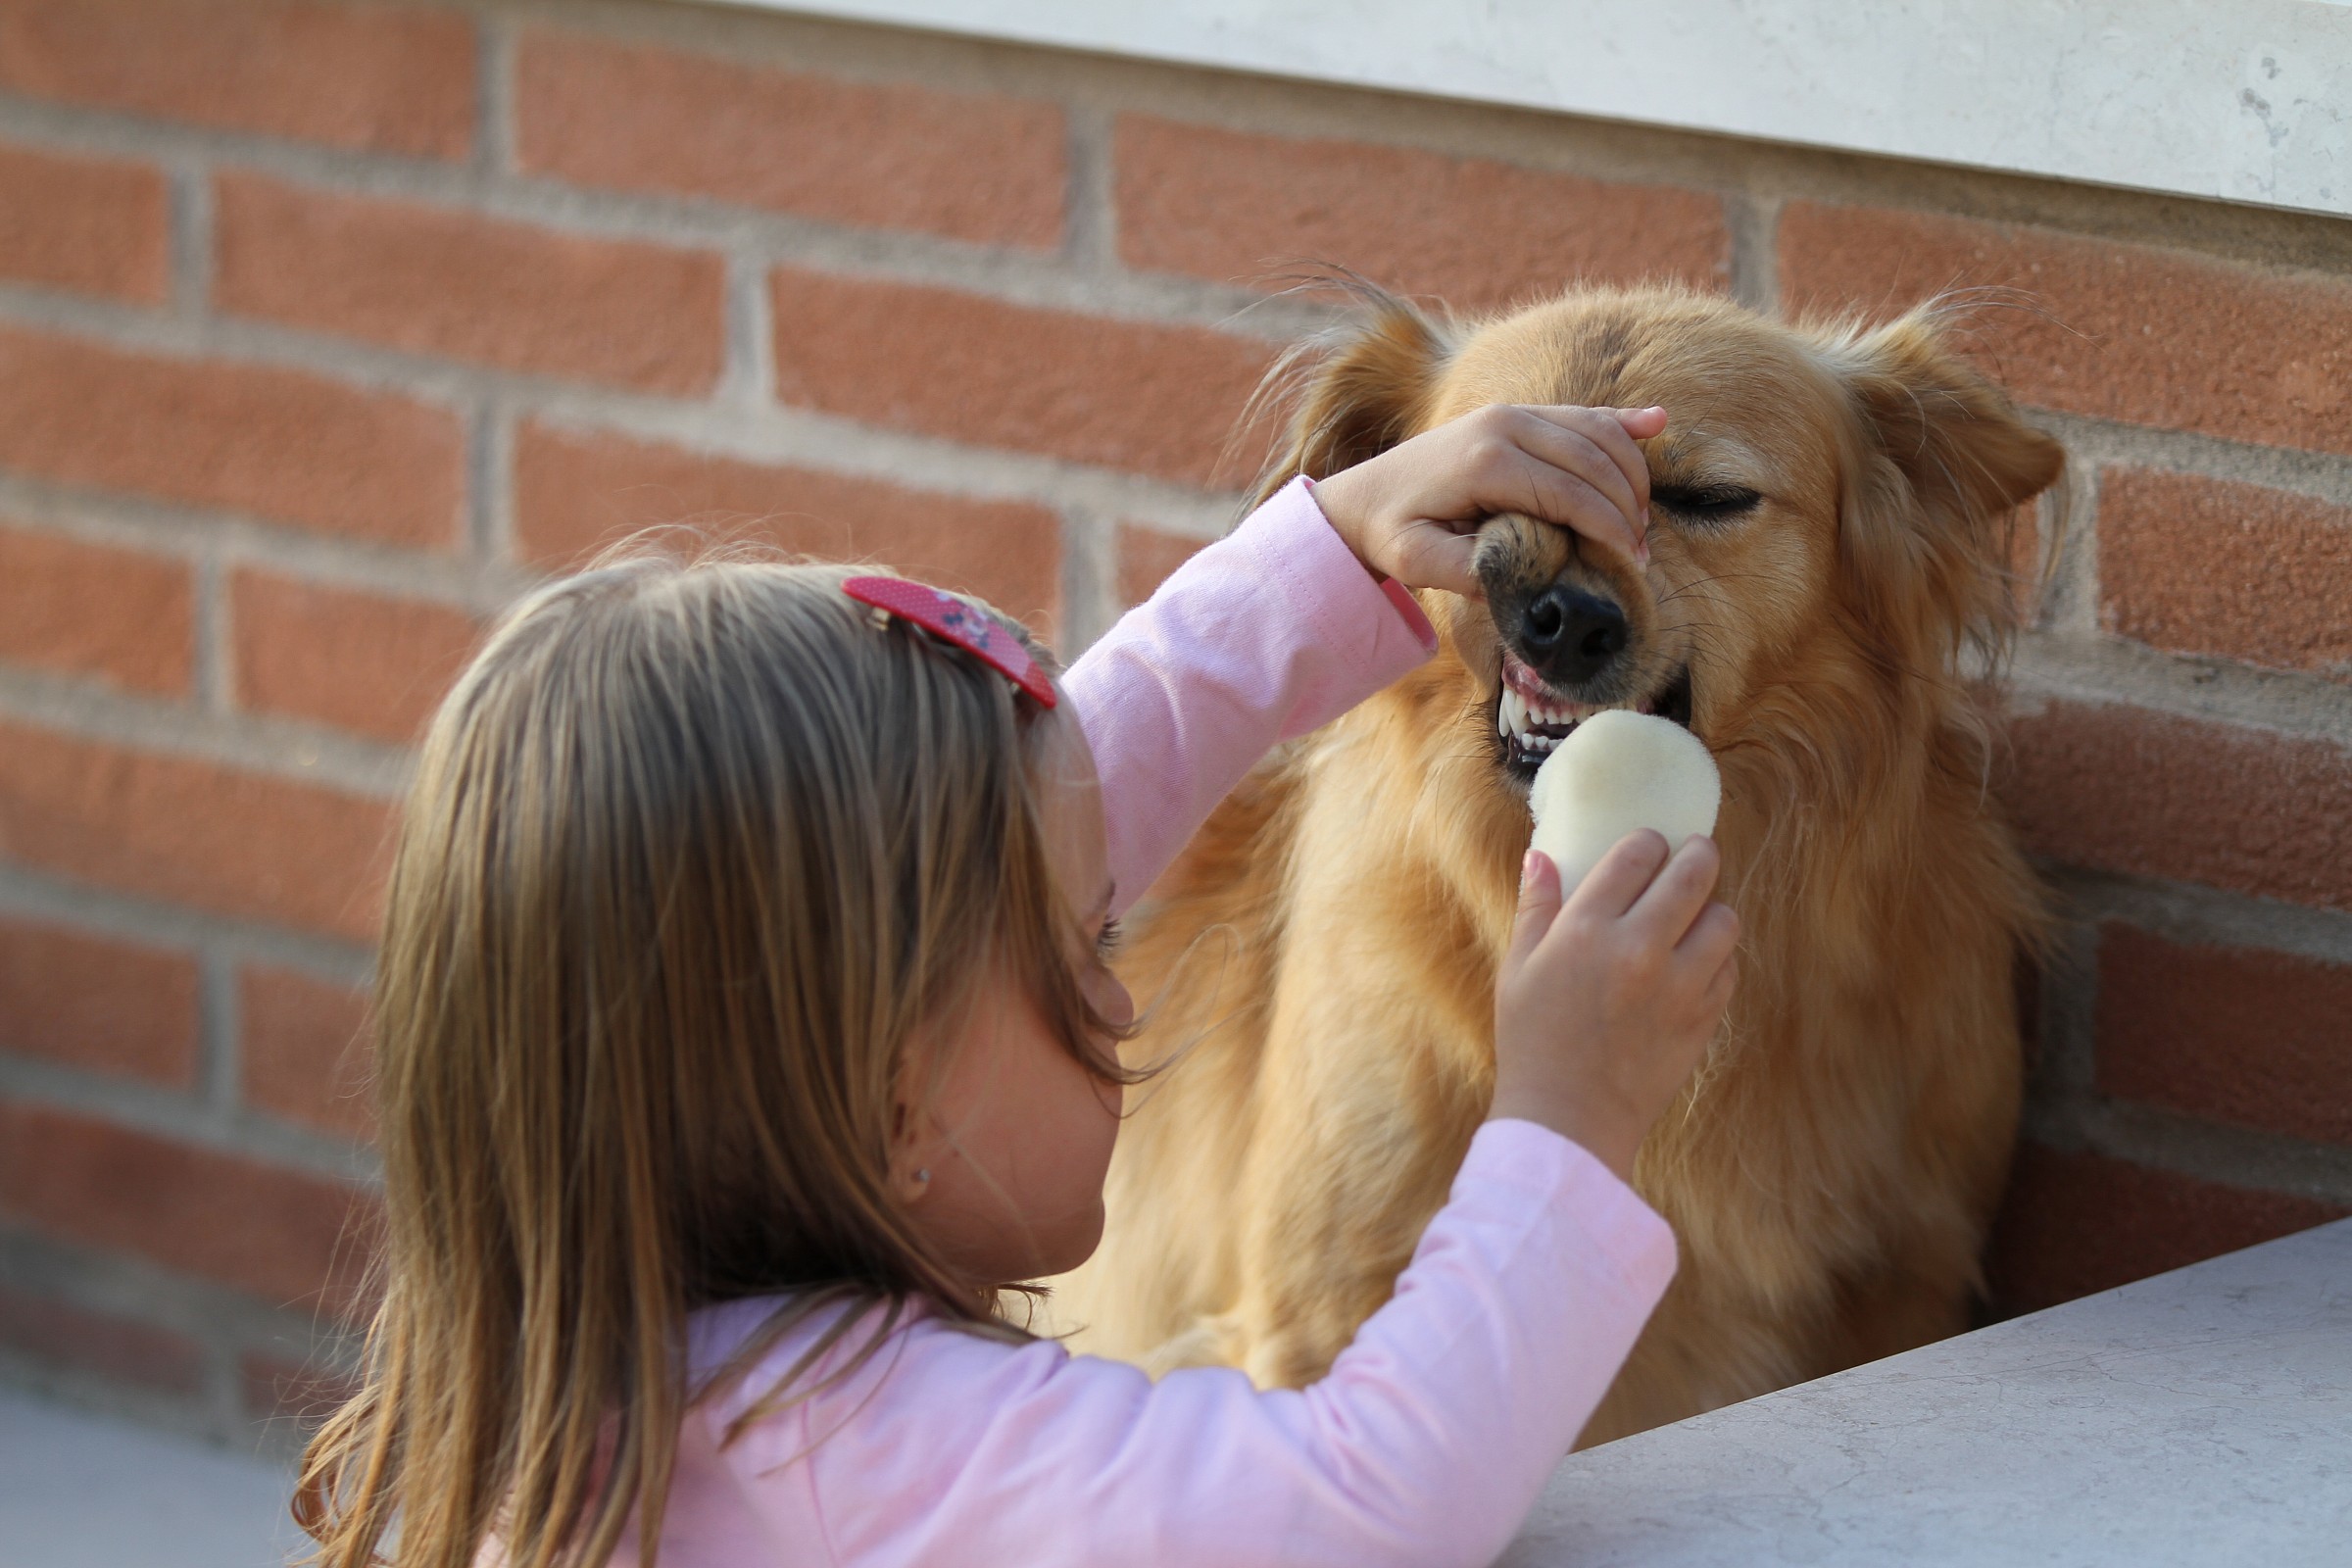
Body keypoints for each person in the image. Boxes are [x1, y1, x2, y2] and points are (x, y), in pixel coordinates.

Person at [294, 402, 1738, 1568]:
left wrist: (1332, 547)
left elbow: (1050, 817)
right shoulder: (860, 1439)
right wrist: (1563, 1121)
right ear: (890, 1103)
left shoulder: (583, 1355)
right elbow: (1363, 1508)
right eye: (1077, 958)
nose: (1119, 1003)